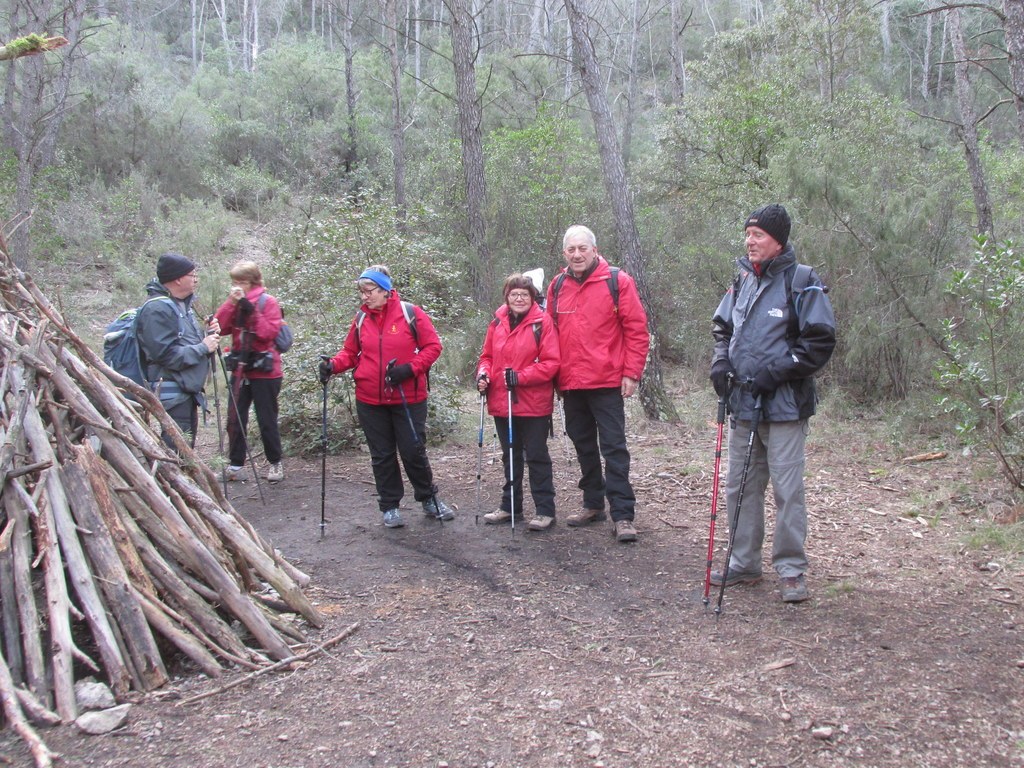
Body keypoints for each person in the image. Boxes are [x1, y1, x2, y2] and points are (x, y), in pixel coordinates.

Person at [709, 204, 836, 603]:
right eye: (747, 234)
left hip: (784, 406)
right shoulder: (742, 279)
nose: (750, 241)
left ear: (777, 239)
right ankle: (744, 562)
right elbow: (722, 327)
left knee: (787, 490)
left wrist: (776, 372)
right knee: (740, 487)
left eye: (758, 235)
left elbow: (820, 341)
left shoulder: (803, 280)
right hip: (742, 403)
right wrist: (720, 363)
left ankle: (791, 569)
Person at [319, 266, 455, 528]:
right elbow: (350, 353)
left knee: (412, 450)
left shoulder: (410, 313)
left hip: (409, 396)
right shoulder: (361, 318)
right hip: (370, 399)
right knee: (381, 454)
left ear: (385, 290)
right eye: (361, 292)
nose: (364, 297)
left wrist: (410, 369)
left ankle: (429, 499)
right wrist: (332, 366)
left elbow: (433, 346)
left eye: (368, 291)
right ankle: (390, 506)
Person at [546, 225, 650, 543]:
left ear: (594, 249)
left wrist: (631, 373)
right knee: (583, 445)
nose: (577, 254)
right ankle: (593, 503)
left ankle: (623, 514)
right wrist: (551, 379)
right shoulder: (557, 285)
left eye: (582, 249)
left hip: (606, 381)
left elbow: (637, 330)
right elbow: (548, 333)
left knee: (614, 448)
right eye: (571, 250)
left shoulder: (617, 281)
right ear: (564, 253)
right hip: (571, 383)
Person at [477, 273, 560, 530]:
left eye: (525, 294)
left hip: (533, 402)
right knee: (509, 456)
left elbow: (552, 363)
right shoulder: (497, 323)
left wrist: (521, 377)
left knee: (536, 455)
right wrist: (483, 374)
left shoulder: (542, 323)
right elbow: (487, 356)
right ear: (507, 297)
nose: (520, 298)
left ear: (533, 297)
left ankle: (545, 510)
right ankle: (510, 506)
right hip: (502, 400)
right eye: (514, 294)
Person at [136, 252, 221, 450]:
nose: (196, 279)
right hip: (171, 392)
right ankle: (170, 481)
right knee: (176, 450)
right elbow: (165, 355)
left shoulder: (182, 305)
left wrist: (208, 335)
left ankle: (182, 479)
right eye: (192, 275)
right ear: (177, 279)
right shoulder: (157, 309)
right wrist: (203, 346)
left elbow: (184, 343)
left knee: (184, 447)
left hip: (185, 389)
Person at [214, 260, 285, 483]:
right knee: (234, 418)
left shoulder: (268, 302)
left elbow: (268, 332)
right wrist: (231, 303)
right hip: (241, 369)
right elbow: (220, 326)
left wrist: (248, 307)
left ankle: (275, 464)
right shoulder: (234, 301)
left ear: (253, 281)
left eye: (242, 282)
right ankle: (235, 465)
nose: (238, 286)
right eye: (235, 282)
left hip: (266, 371)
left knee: (267, 419)